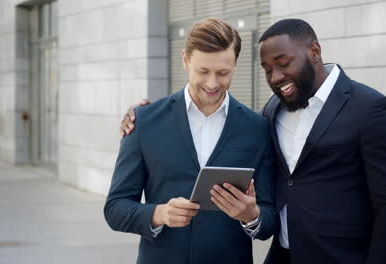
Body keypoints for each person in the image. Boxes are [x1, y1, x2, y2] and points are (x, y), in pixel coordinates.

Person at [120, 18, 386, 264]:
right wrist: (142, 117)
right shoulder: (272, 112)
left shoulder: (372, 109)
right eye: (267, 69)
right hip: (282, 256)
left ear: (314, 51)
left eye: (283, 64)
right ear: (185, 60)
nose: (276, 76)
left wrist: (252, 215)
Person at [104, 17, 277, 264]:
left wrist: (252, 214)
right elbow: (115, 209)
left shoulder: (257, 128)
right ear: (185, 60)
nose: (212, 83)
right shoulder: (144, 122)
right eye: (203, 71)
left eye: (223, 72)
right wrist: (159, 213)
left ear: (235, 65)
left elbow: (269, 218)